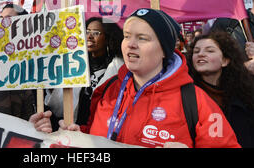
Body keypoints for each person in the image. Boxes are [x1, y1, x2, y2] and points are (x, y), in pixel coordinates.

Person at [31, 8, 241, 148]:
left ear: (165, 50)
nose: (130, 44)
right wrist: (73, 135)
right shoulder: (109, 90)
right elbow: (96, 136)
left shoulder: (196, 102)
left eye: (142, 38)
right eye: (127, 36)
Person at [188, 30, 254, 147]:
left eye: (210, 50)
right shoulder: (187, 97)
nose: (200, 54)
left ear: (225, 61)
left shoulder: (244, 97)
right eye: (196, 51)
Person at [43, 17, 124, 129]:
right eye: (87, 32)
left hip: (101, 128)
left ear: (108, 38)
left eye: (96, 33)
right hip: (75, 127)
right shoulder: (75, 62)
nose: (89, 36)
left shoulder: (120, 67)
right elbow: (60, 105)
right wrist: (53, 88)